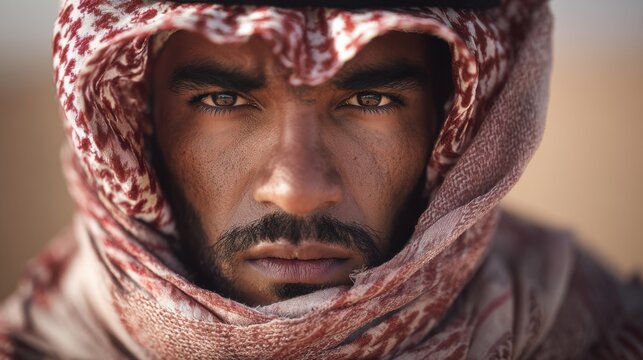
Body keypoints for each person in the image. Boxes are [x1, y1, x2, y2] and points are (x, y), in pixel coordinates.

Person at [1, 0, 641, 358]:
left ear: (453, 128)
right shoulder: (40, 347)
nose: (299, 189)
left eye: (372, 102)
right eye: (223, 102)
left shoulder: (598, 335)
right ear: (140, 127)